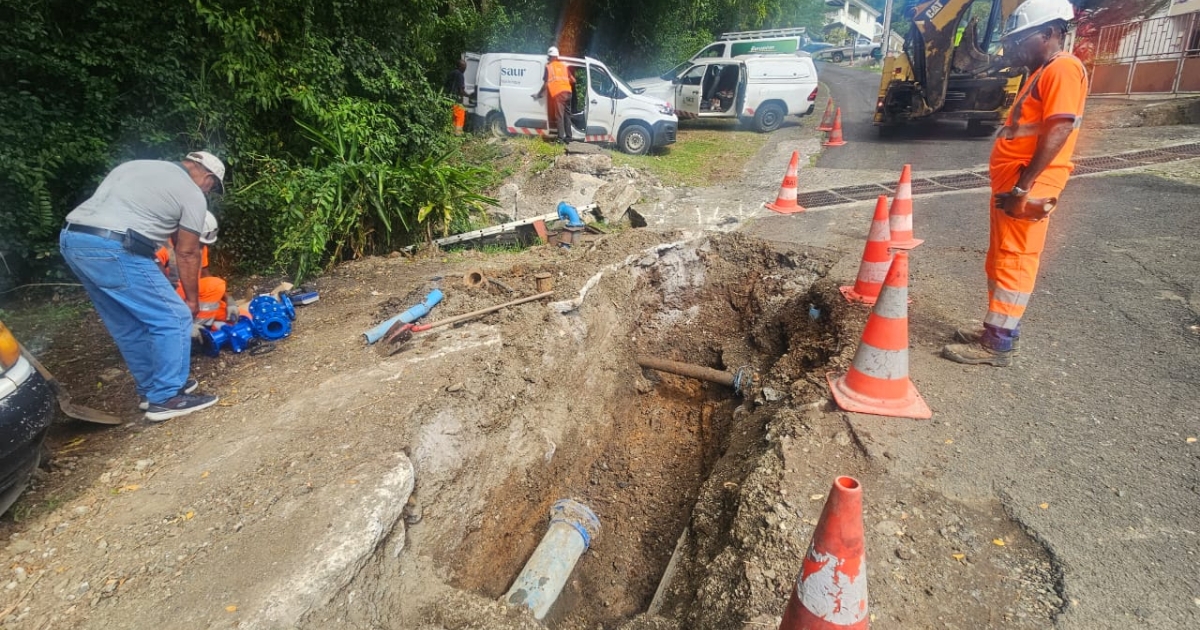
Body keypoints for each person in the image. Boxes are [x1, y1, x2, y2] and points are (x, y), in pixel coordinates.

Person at [942, 0, 1085, 367]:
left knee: (1015, 261)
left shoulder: (1062, 69)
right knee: (1000, 259)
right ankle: (995, 328)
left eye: (1022, 39)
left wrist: (1024, 186)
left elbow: (1061, 126)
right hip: (1015, 183)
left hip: (1028, 184)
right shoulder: (1041, 71)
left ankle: (999, 343)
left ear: (1050, 33)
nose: (1015, 48)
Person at [59, 151, 225, 421]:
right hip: (116, 246)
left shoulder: (139, 165)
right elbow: (187, 252)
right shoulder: (192, 193)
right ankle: (167, 397)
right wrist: (192, 300)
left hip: (74, 239)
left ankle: (152, 390)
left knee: (126, 324)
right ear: (206, 176)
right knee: (175, 316)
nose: (210, 191)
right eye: (213, 186)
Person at [156, 211, 239, 332]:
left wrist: (228, 299)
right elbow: (156, 290)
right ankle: (194, 333)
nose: (200, 247)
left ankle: (205, 327)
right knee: (216, 284)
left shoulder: (199, 247)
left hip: (192, 297)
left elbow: (205, 277)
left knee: (236, 315)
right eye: (199, 243)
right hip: (169, 303)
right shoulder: (162, 249)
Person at [532, 46, 575, 143]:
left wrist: (539, 94)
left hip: (559, 94)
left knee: (559, 116)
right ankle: (569, 137)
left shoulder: (549, 67)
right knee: (567, 116)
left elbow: (546, 83)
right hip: (568, 93)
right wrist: (564, 82)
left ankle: (560, 139)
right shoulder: (564, 66)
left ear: (550, 57)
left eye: (549, 57)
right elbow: (573, 80)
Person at [445, 59, 468, 135]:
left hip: (448, 100)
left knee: (453, 117)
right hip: (457, 100)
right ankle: (458, 134)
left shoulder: (451, 73)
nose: (465, 69)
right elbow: (461, 90)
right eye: (464, 67)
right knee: (460, 117)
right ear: (460, 67)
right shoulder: (460, 75)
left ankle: (451, 133)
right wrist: (469, 95)